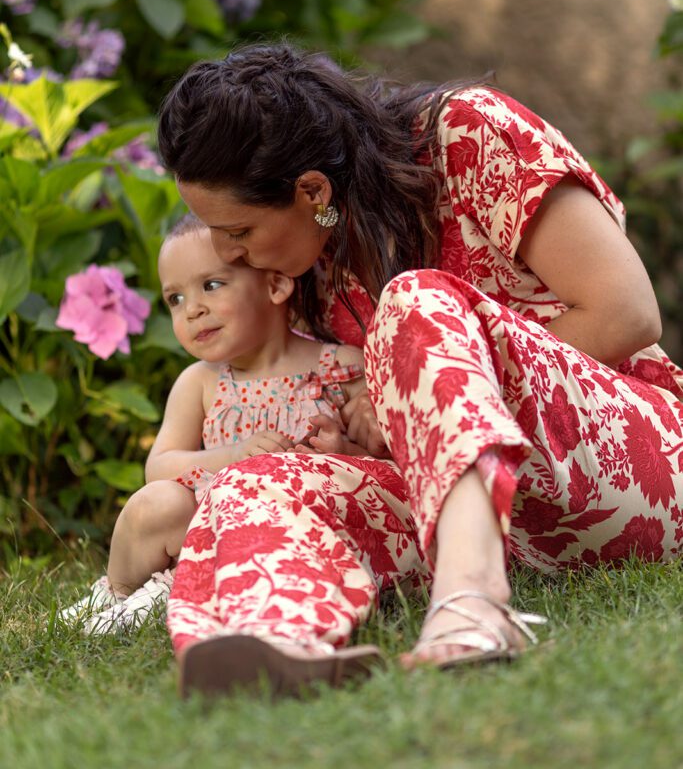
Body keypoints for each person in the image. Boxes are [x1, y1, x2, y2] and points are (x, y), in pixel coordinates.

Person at [156, 41, 683, 698]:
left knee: (419, 303)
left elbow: (627, 314)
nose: (228, 254)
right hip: (483, 515)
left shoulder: (467, 134)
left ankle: (473, 605)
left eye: (237, 231)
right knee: (258, 479)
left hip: (625, 474)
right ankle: (272, 634)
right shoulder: (314, 255)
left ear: (311, 190)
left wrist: (411, 379)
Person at [60, 212, 371, 635]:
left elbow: (384, 463)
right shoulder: (201, 383)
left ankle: (175, 589)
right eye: (175, 299)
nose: (193, 310)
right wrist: (232, 456)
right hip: (201, 527)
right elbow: (159, 466)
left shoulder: (340, 368)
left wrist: (343, 451)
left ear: (275, 284)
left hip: (296, 533)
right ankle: (118, 591)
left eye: (210, 285)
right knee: (156, 503)